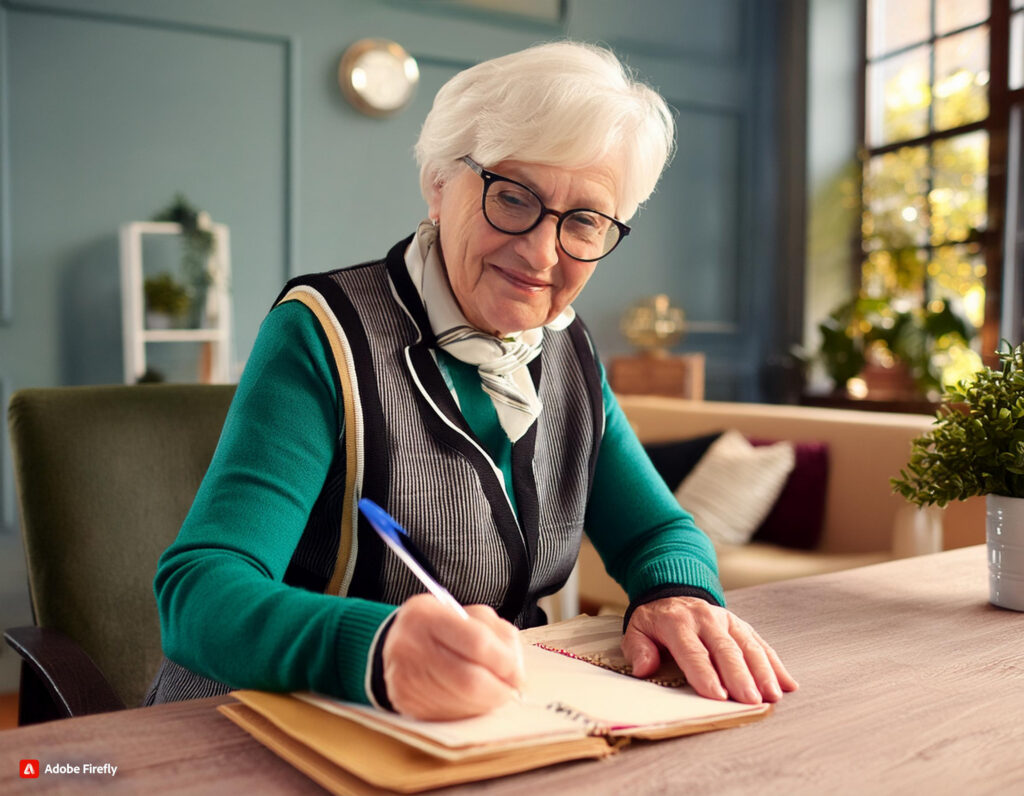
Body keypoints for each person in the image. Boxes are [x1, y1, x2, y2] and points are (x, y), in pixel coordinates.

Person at [146, 41, 797, 720]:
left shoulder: (567, 347)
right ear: (437, 182)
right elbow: (198, 595)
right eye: (514, 197)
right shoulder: (321, 332)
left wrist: (679, 595)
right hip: (275, 724)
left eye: (584, 221)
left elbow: (659, 531)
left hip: (484, 726)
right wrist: (376, 649)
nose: (542, 252)